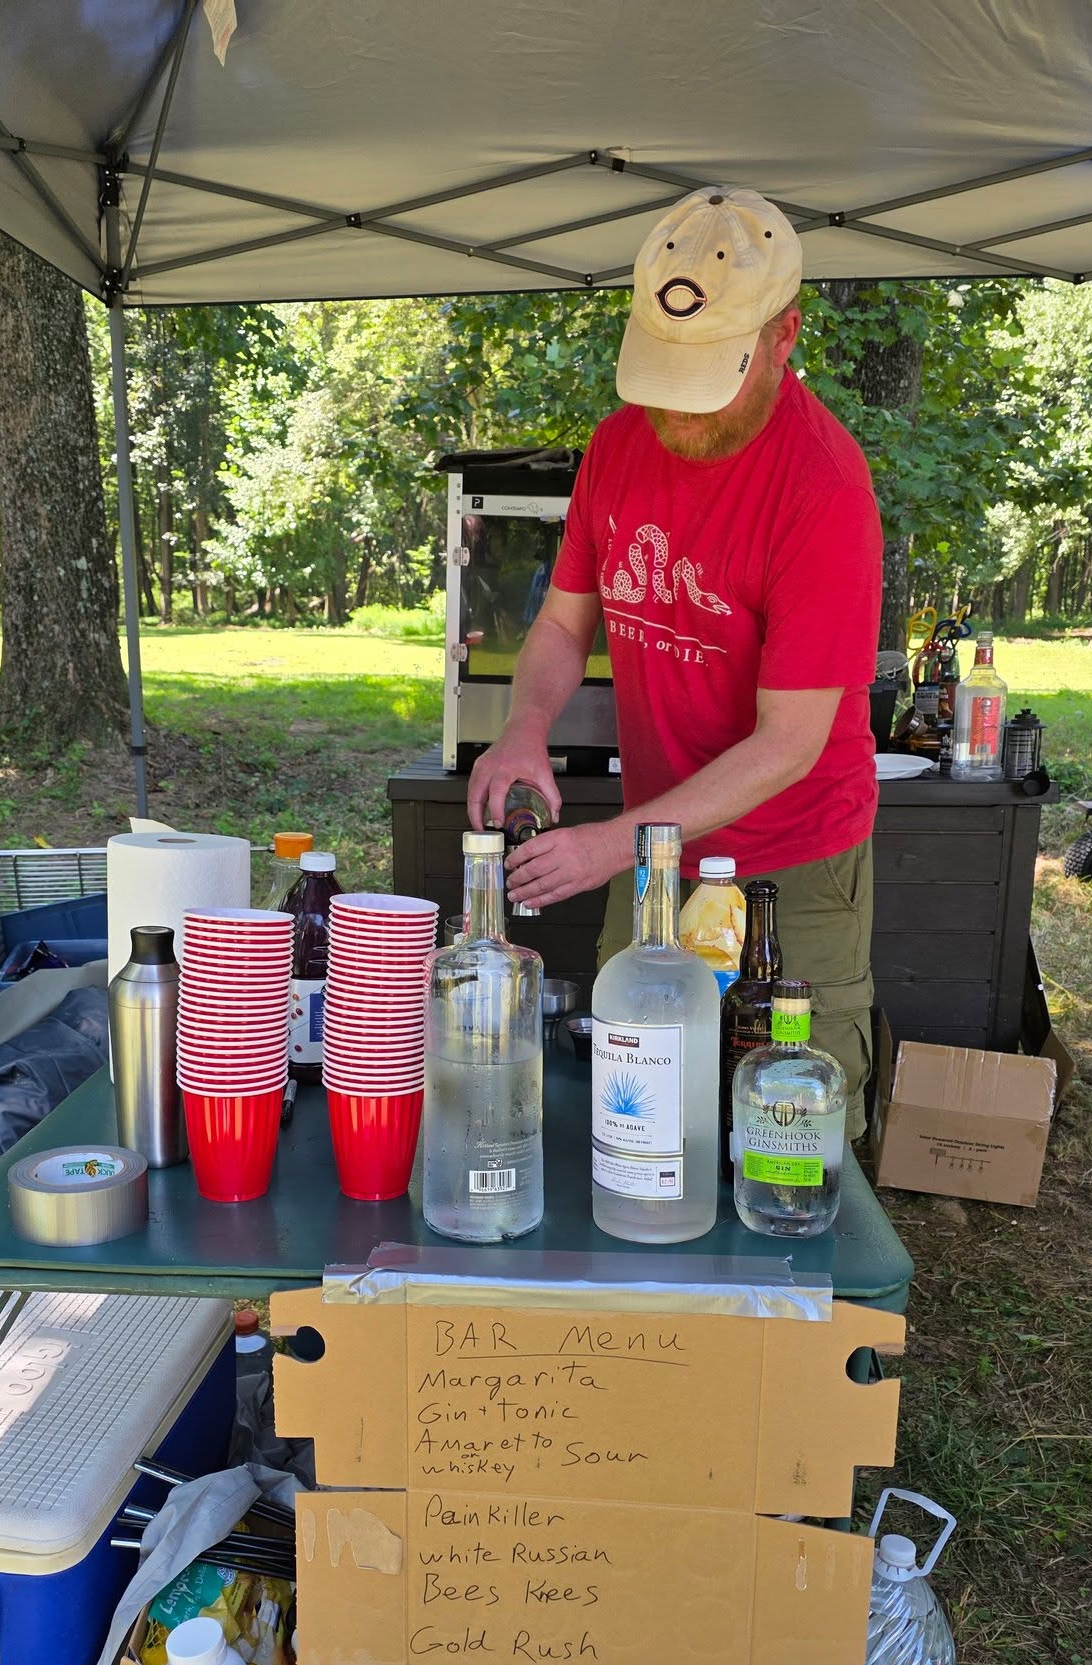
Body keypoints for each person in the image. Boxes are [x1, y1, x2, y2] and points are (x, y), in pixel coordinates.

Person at [467, 186, 883, 1137]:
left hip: (793, 864)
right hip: (654, 852)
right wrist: (523, 730)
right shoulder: (617, 447)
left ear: (784, 338)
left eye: (710, 378)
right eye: (663, 371)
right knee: (638, 1101)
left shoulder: (823, 488)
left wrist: (616, 844)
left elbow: (788, 742)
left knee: (788, 1124)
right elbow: (565, 627)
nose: (678, 416)